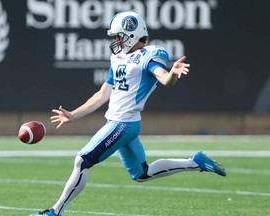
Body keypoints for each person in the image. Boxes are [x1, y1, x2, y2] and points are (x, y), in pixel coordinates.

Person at [30, 11, 226, 216]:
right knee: (142, 173)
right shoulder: (118, 57)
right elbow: (102, 94)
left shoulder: (149, 56)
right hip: (121, 123)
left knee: (82, 160)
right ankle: (195, 162)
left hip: (123, 123)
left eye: (119, 36)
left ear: (132, 34)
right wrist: (73, 115)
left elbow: (165, 79)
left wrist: (172, 74)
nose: (116, 40)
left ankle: (54, 212)